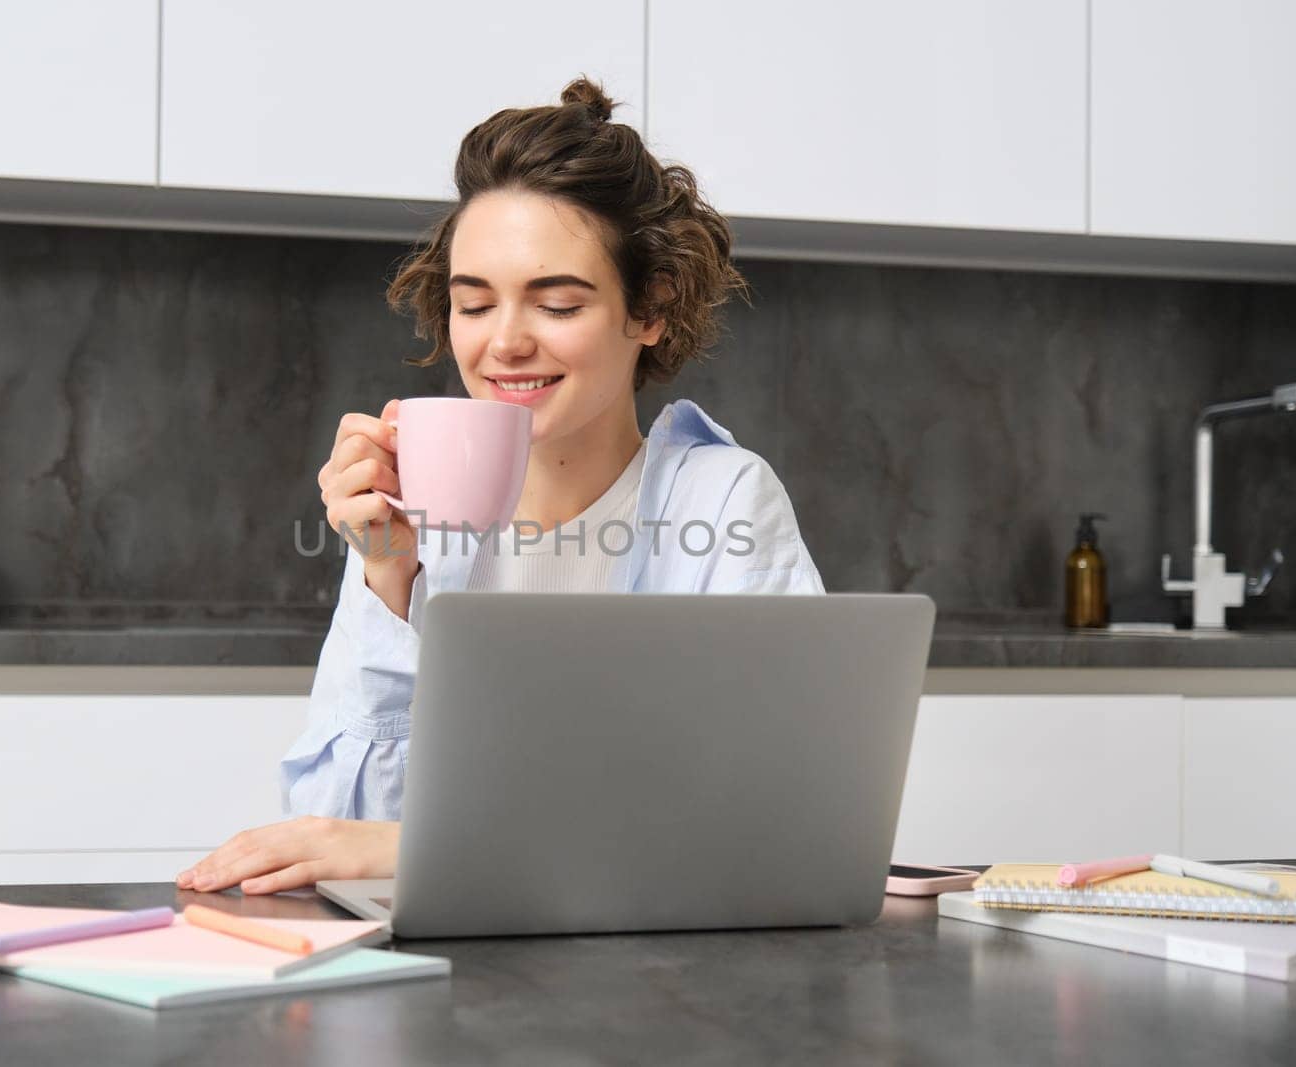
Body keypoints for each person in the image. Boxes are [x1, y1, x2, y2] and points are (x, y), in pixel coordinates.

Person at [177, 77, 824, 897]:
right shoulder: (422, 517)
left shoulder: (724, 503)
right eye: (474, 304)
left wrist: (419, 849)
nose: (505, 342)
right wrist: (388, 578)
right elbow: (335, 832)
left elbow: (763, 823)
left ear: (651, 307)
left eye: (556, 303)